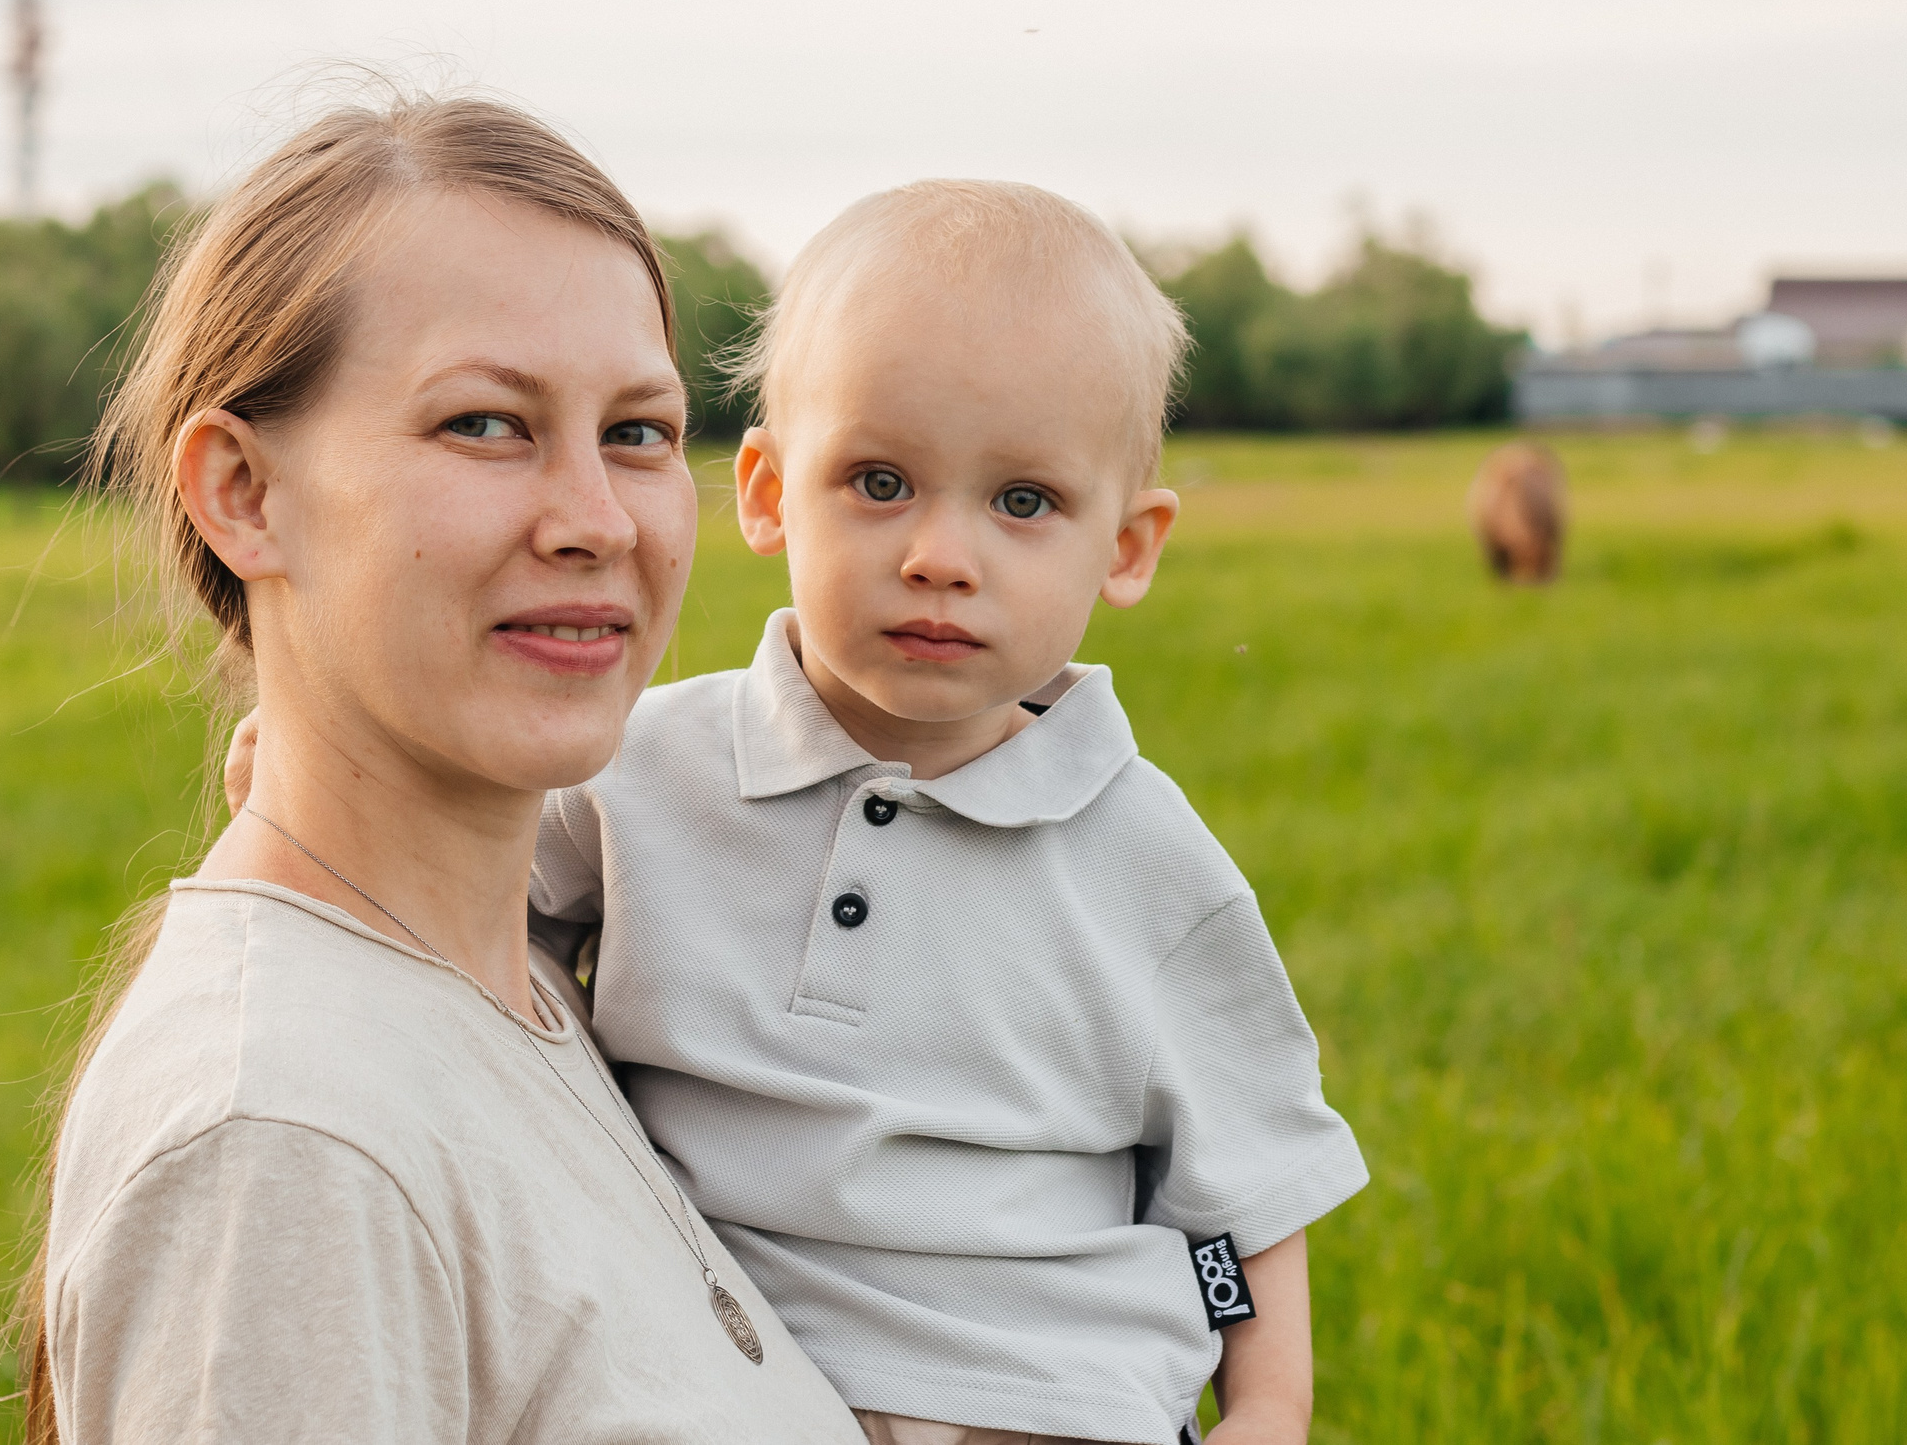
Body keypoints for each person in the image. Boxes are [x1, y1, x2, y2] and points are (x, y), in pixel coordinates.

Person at [18, 96, 865, 1445]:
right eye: (485, 424)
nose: (596, 520)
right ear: (242, 490)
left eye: (639, 431)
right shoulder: (287, 1140)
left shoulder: (527, 978)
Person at [524, 182, 1369, 1444]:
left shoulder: (1142, 860)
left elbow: (1236, 1194)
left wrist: (1266, 1407)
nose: (940, 555)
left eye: (1022, 502)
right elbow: (457, 879)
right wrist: (339, 771)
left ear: (1127, 548)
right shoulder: (642, 769)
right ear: (763, 491)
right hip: (726, 1379)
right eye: (877, 481)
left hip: (1054, 1399)